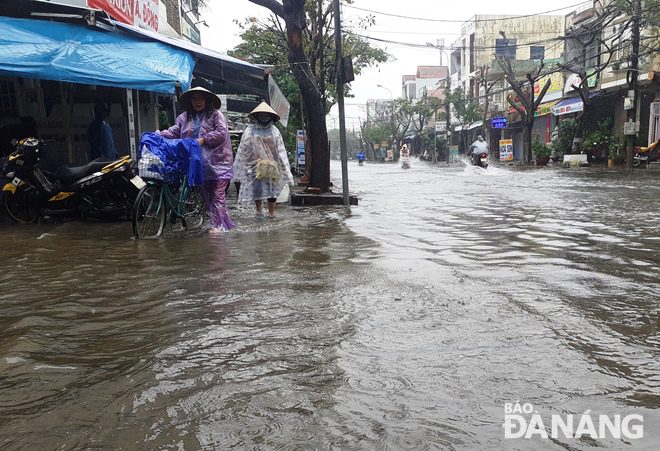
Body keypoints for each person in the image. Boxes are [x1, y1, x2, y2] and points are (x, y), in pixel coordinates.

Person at [156, 86, 235, 234]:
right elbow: (175, 131)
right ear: (190, 101)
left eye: (201, 98)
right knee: (208, 197)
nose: (197, 102)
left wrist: (203, 140)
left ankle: (218, 227)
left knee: (218, 195)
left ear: (207, 100)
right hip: (199, 165)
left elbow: (221, 133)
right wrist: (158, 134)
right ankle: (224, 224)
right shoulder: (185, 118)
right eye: (194, 98)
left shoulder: (217, 116)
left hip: (219, 164)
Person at [233, 102, 294, 219]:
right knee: (257, 190)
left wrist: (285, 169)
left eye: (266, 116)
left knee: (272, 191)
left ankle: (271, 214)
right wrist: (246, 165)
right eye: (261, 116)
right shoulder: (250, 131)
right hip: (255, 164)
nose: (264, 118)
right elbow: (244, 149)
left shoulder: (274, 131)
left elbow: (281, 150)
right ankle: (259, 211)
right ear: (256, 117)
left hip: (272, 165)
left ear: (271, 117)